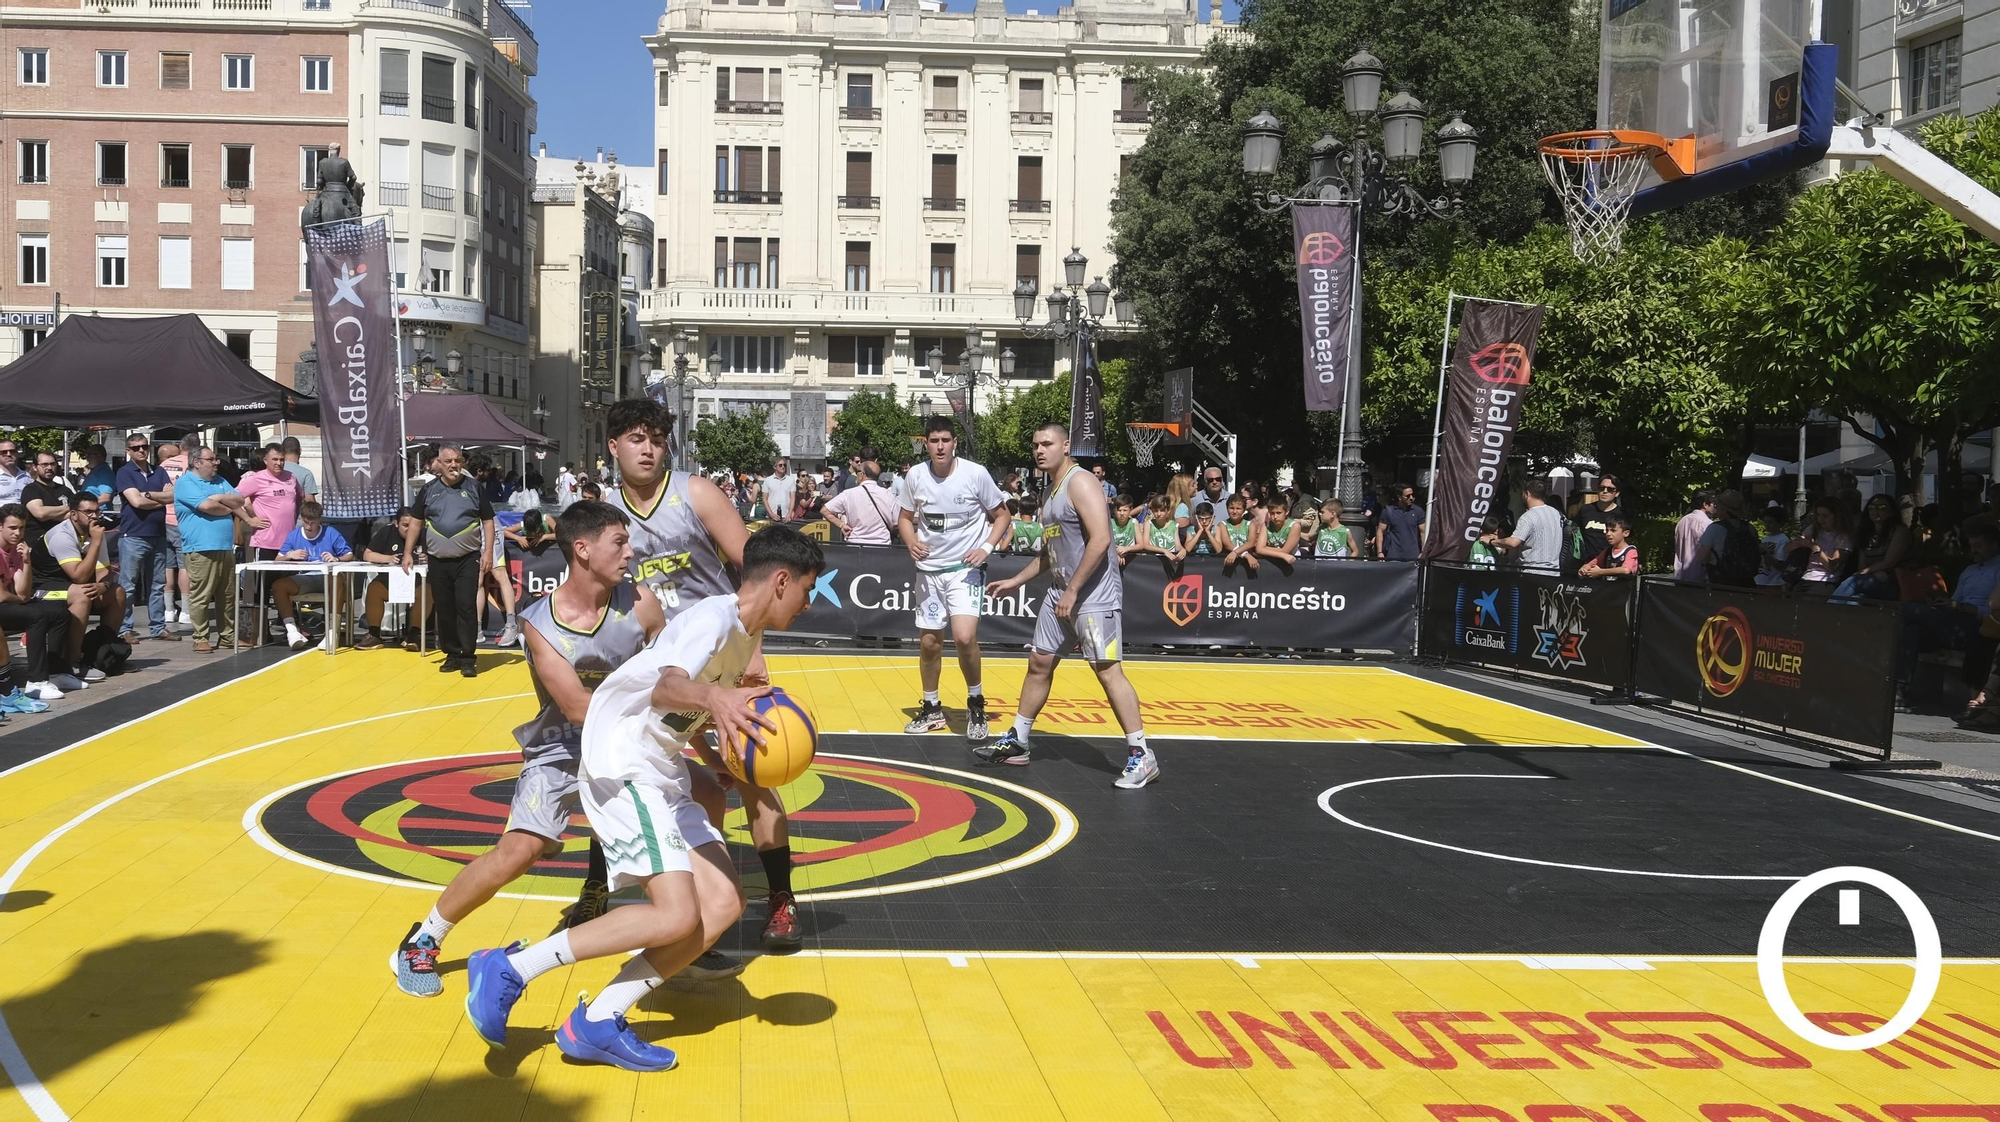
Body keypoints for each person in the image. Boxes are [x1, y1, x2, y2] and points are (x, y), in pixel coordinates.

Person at [459, 526, 824, 1070]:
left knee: (722, 904)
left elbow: (681, 708)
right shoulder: (715, 619)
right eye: (807, 589)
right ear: (781, 580)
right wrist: (718, 698)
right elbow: (666, 687)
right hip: (623, 761)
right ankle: (511, 968)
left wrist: (714, 750)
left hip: (661, 766)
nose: (810, 603)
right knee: (675, 914)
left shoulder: (743, 634)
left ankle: (598, 1022)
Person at [393, 501, 671, 999]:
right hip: (562, 748)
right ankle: (422, 940)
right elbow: (578, 709)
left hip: (628, 745)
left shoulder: (643, 602)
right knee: (520, 850)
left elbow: (675, 671)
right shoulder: (540, 623)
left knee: (680, 834)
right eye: (620, 542)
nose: (632, 551)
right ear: (582, 551)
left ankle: (691, 932)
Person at [602, 398, 802, 956]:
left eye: (657, 439)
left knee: (754, 773)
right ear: (614, 445)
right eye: (636, 438)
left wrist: (754, 651)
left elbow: (756, 572)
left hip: (724, 656)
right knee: (630, 771)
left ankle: (780, 898)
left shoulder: (696, 494)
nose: (648, 448)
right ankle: (646, 896)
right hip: (659, 668)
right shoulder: (605, 512)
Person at [979, 423, 1158, 789]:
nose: (1040, 450)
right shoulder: (1048, 492)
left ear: (1065, 446)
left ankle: (1142, 755)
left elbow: (1102, 539)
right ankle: (1019, 740)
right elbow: (1050, 553)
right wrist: (1016, 581)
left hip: (1092, 593)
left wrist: (1073, 591)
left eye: (1047, 443)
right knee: (1039, 662)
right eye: (1035, 444)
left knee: (1107, 670)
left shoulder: (1081, 482)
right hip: (1062, 589)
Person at [897, 417, 1010, 741]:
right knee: (930, 643)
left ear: (955, 442)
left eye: (946, 440)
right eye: (934, 441)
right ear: (926, 444)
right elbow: (905, 518)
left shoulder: (975, 474)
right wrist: (911, 542)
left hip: (964, 569)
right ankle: (932, 707)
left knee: (963, 637)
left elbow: (1002, 515)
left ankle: (976, 701)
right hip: (929, 571)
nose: (940, 446)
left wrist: (986, 547)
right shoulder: (916, 476)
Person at [405, 443, 494, 678]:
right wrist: (407, 552)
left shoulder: (475, 488)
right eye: (448, 461)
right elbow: (415, 521)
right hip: (437, 559)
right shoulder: (428, 490)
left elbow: (488, 521)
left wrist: (488, 553)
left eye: (457, 460)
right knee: (444, 609)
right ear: (440, 465)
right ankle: (452, 654)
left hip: (467, 559)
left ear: (462, 462)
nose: (453, 465)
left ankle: (467, 657)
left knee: (465, 606)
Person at [174, 444, 263, 653]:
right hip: (200, 547)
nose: (217, 462)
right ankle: (200, 637)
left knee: (228, 595)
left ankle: (227, 636)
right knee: (202, 595)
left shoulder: (220, 481)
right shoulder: (186, 483)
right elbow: (207, 507)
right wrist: (225, 506)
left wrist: (221, 498)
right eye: (211, 459)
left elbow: (239, 499)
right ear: (197, 463)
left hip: (224, 547)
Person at [1899, 525, 2000, 706]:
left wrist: (1962, 607)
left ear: (1993, 546)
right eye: (1972, 546)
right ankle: (1900, 690)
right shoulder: (1969, 571)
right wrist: (1945, 604)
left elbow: (1994, 611)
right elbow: (1954, 602)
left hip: (1978, 625)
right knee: (1913, 630)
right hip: (1953, 622)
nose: (1974, 550)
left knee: (1911, 611)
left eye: (1979, 545)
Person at [32, 491, 124, 679]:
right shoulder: (62, 535)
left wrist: (104, 585)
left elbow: (104, 571)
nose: (94, 516)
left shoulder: (95, 532)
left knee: (117, 592)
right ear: (74, 514)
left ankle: (102, 650)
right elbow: (79, 577)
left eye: (97, 511)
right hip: (40, 589)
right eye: (88, 512)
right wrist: (96, 543)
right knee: (81, 594)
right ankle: (72, 663)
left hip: (69, 586)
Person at [0, 504, 69, 707]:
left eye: (21, 528)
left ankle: (57, 671)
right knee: (35, 615)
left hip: (7, 603)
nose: (18, 533)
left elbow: (23, 592)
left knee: (59, 612)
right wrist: (20, 600)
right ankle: (36, 681)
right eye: (12, 528)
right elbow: (2, 595)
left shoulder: (17, 550)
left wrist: (27, 563)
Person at [115, 433, 176, 644]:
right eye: (136, 447)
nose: (141, 450)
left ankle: (158, 627)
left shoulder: (159, 471)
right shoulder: (124, 472)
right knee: (128, 586)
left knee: (158, 584)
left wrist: (147, 495)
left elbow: (172, 497)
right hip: (133, 535)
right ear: (128, 451)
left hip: (158, 534)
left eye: (144, 446)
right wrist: (158, 496)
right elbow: (136, 503)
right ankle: (124, 628)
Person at [269, 500, 353, 651]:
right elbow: (277, 560)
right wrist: (289, 555)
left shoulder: (331, 533)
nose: (308, 526)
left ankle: (332, 631)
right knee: (278, 586)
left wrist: (336, 559)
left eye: (312, 523)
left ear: (320, 520)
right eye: (305, 522)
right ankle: (292, 632)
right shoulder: (294, 535)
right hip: (305, 578)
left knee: (337, 579)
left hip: (327, 577)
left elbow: (349, 554)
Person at [354, 507, 430, 650]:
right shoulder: (386, 532)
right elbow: (367, 554)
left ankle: (415, 634)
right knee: (374, 588)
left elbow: (440, 555)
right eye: (405, 525)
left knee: (428, 590)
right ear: (396, 524)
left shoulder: (426, 534)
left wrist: (429, 557)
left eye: (413, 525)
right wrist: (388, 558)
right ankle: (374, 634)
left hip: (418, 582)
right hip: (391, 580)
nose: (410, 529)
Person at [1834, 494, 1913, 601]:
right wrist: (1872, 573)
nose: (1876, 510)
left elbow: (1889, 562)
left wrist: (1864, 573)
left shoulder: (1899, 531)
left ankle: (1825, 611)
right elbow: (1862, 566)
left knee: (1852, 583)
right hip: (1872, 579)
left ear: (1891, 511)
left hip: (1894, 581)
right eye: (1872, 507)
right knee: (1854, 601)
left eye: (1882, 507)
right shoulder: (1865, 534)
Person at [236, 444, 302, 562]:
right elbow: (231, 500)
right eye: (275, 459)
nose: (279, 463)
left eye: (282, 460)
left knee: (288, 580)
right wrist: (249, 519)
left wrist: (293, 517)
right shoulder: (256, 479)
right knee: (265, 580)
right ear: (265, 461)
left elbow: (300, 499)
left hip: (289, 543)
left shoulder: (291, 477)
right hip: (266, 543)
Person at [1484, 481, 1564, 571]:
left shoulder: (1528, 516)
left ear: (1527, 494)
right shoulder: (1556, 513)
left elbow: (1513, 542)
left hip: (1532, 572)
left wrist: (1491, 541)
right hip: (1554, 572)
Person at [1694, 490, 1761, 587]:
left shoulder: (1714, 528)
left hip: (1721, 581)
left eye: (1718, 506)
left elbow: (1703, 556)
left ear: (1724, 510)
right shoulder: (1750, 528)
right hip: (1747, 581)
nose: (1715, 508)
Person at [822, 459, 898, 545]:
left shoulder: (848, 494)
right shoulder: (888, 494)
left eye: (857, 472)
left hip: (855, 544)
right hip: (882, 544)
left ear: (862, 475)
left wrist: (841, 525)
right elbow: (896, 523)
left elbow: (825, 510)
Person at [156, 442, 190, 628]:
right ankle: (186, 611)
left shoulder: (161, 467)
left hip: (163, 519)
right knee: (184, 566)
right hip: (182, 519)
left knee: (167, 566)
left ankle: (168, 610)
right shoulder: (192, 464)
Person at [1788, 499, 1852, 589]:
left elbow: (1832, 566)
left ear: (1836, 516)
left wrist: (1814, 548)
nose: (1821, 519)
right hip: (1805, 577)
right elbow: (1787, 549)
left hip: (1826, 581)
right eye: (1818, 515)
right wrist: (1799, 543)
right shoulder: (1813, 529)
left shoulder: (1843, 537)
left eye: (1825, 516)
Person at [1577, 476, 1626, 564]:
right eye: (1601, 488)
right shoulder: (1586, 510)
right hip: (1586, 563)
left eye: (1610, 489)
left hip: (1610, 563)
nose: (1605, 491)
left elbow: (1626, 541)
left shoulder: (1622, 514)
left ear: (1617, 493)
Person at [1373, 483, 1426, 561]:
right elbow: (1380, 531)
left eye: (1412, 495)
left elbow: (1423, 532)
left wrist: (1423, 551)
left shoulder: (1418, 511)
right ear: (1399, 497)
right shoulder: (1388, 511)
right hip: (1393, 556)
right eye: (1407, 496)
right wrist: (1379, 552)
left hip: (1413, 556)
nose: (1411, 498)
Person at [1672, 491, 1716, 582]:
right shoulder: (1707, 524)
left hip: (1680, 576)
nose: (1714, 506)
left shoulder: (1682, 521)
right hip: (1699, 576)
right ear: (1705, 504)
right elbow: (1708, 551)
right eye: (1712, 503)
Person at [1254, 494, 1303, 568]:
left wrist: (1264, 548)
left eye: (1278, 513)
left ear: (1286, 512)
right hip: (1273, 561)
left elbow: (1286, 551)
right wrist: (1282, 554)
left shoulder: (1294, 526)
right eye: (1272, 513)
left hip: (1292, 562)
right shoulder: (1266, 525)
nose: (1275, 517)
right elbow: (1259, 549)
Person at [1138, 494, 1185, 562]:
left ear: (1168, 511)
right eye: (1156, 511)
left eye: (1162, 510)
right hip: (1153, 560)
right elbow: (1145, 545)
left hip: (1169, 560)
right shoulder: (1148, 524)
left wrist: (1182, 550)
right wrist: (1163, 550)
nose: (1159, 514)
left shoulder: (1174, 525)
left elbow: (1177, 545)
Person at [1756, 505, 1793, 588]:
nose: (1767, 525)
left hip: (1774, 583)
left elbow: (1780, 565)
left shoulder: (1783, 540)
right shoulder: (1765, 539)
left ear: (1780, 523)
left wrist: (1765, 552)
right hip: (1759, 581)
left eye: (1771, 522)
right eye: (1765, 522)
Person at [1218, 495, 1256, 572]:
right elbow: (1228, 545)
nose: (1234, 512)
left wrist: (1235, 552)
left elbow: (1251, 543)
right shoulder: (1222, 525)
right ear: (1227, 508)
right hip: (1229, 563)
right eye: (1231, 508)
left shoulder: (1250, 524)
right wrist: (1246, 555)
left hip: (1247, 565)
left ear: (1244, 510)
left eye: (1238, 509)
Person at [281, 436, 318, 501]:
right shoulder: (306, 474)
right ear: (300, 451)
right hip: (298, 510)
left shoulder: (274, 471)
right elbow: (309, 500)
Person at [761, 458, 797, 522]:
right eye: (780, 465)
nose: (783, 467)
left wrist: (790, 513)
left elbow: (792, 498)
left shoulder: (791, 480)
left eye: (784, 465)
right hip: (772, 516)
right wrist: (771, 514)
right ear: (775, 467)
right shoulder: (768, 480)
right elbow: (764, 499)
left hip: (786, 516)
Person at [1110, 494, 1142, 562]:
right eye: (1119, 510)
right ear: (1114, 511)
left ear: (1131, 510)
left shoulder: (1134, 523)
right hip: (1113, 558)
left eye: (1125, 510)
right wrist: (1115, 554)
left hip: (1130, 559)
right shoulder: (1110, 523)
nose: (1122, 513)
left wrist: (1127, 548)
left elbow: (1141, 545)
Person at [0, 439, 28, 506]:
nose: (9, 454)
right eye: (4, 452)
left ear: (17, 454)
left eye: (12, 451)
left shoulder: (27, 476)